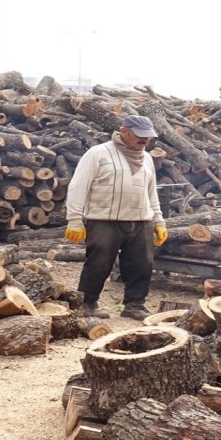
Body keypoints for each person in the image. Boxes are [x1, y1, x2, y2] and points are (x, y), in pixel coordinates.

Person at [65, 115, 168, 320]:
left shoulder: (147, 158)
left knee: (142, 264)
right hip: (104, 220)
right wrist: (74, 219)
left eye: (148, 137)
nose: (145, 141)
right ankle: (87, 303)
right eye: (140, 136)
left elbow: (151, 193)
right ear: (124, 131)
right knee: (99, 262)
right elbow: (78, 187)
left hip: (140, 220)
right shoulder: (98, 154)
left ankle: (134, 305)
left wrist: (158, 221)